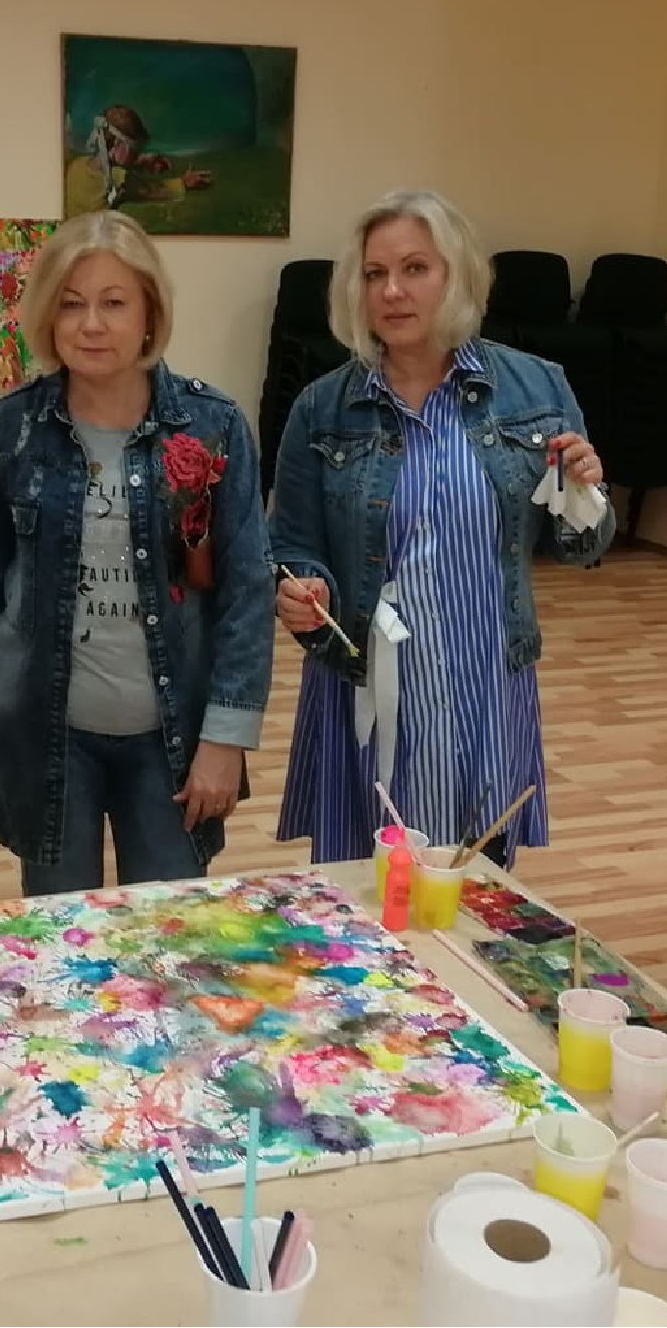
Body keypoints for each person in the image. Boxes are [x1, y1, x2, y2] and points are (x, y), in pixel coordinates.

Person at [271, 189, 612, 863]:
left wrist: (585, 494)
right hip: (368, 682)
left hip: (486, 678)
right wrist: (300, 589)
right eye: (375, 274)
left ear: (457, 275)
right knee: (366, 882)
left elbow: (579, 547)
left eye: (415, 269)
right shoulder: (320, 409)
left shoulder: (538, 389)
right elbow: (290, 546)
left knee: (476, 879)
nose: (392, 291)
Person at [0, 212, 273, 895]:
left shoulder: (212, 426)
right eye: (71, 304)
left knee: (167, 929)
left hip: (172, 740)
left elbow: (247, 590)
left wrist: (226, 738)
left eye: (113, 303)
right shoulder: (14, 425)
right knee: (61, 933)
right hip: (48, 735)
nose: (91, 324)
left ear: (149, 312)